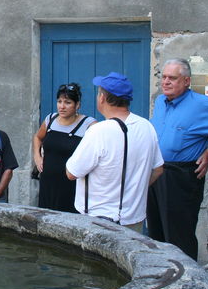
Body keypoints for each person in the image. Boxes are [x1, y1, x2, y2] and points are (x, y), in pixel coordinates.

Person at [149, 58, 208, 260]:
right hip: (155, 173)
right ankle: (161, 278)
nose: (165, 82)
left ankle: (185, 281)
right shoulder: (160, 102)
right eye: (164, 77)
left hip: (180, 176)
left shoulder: (201, 105)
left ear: (186, 81)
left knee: (179, 234)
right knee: (156, 232)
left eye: (172, 78)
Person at [65, 73, 164, 232]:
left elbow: (71, 172)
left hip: (98, 220)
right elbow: (158, 169)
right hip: (134, 219)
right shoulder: (147, 127)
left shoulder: (98, 131)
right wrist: (133, 189)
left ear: (102, 97)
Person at [32, 83, 96, 212]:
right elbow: (37, 137)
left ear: (77, 105)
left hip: (71, 184)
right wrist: (37, 156)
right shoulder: (50, 119)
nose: (62, 106)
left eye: (67, 102)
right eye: (59, 101)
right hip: (47, 182)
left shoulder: (89, 124)